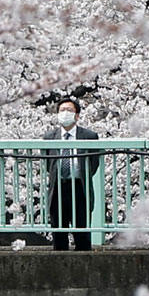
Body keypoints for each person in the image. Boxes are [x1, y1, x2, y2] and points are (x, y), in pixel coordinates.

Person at [43, 98, 100, 251]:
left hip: (79, 187)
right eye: (62, 110)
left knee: (82, 231)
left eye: (69, 110)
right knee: (58, 230)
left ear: (77, 116)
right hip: (58, 187)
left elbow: (93, 163)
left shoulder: (89, 136)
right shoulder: (50, 137)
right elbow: (49, 164)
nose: (65, 114)